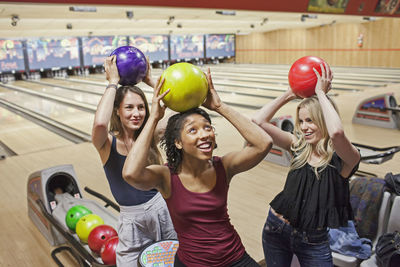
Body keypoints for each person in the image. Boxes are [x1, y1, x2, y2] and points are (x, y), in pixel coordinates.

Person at [122, 69, 273, 266]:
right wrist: (154, 118)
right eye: (193, 130)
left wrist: (219, 106)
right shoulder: (167, 176)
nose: (204, 134)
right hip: (192, 263)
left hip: (234, 257)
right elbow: (131, 173)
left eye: (207, 127)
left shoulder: (223, 167)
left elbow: (264, 143)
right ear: (178, 142)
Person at [252, 63, 361, 267]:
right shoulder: (298, 147)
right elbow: (257, 121)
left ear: (323, 119)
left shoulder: (346, 159)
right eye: (301, 121)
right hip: (276, 228)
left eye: (310, 120)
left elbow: (336, 132)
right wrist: (289, 94)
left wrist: (320, 93)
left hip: (313, 240)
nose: (303, 128)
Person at [91, 55, 176, 267]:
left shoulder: (149, 134)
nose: (136, 113)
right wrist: (112, 83)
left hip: (162, 209)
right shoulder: (107, 143)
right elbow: (100, 123)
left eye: (141, 107)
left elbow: (175, 107)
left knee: (176, 261)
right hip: (130, 218)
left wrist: (150, 80)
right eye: (129, 108)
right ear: (117, 111)